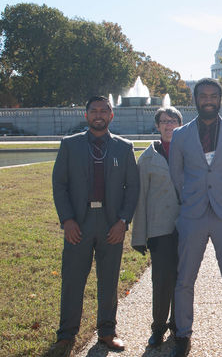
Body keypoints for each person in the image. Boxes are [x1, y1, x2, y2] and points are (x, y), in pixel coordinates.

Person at [168, 78, 222, 357]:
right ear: (195, 99)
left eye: (213, 95)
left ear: (219, 99)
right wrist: (190, 198)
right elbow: (176, 174)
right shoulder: (180, 135)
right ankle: (183, 334)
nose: (208, 100)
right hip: (192, 214)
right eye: (202, 95)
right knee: (184, 278)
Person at [50, 96, 140, 356]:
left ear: (111, 115)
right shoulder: (70, 145)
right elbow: (60, 184)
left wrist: (123, 221)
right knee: (73, 281)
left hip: (111, 224)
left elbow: (132, 187)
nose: (99, 114)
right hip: (78, 223)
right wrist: (66, 219)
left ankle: (107, 332)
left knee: (109, 280)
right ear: (86, 115)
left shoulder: (124, 148)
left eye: (104, 110)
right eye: (94, 111)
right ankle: (66, 336)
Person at [131, 107, 182, 347]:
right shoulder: (147, 158)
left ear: (180, 124)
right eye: (164, 121)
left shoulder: (189, 152)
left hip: (186, 227)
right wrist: (139, 236)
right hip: (160, 229)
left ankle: (179, 324)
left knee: (183, 280)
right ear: (158, 125)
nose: (169, 125)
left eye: (173, 121)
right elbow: (140, 199)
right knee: (162, 280)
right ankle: (158, 327)